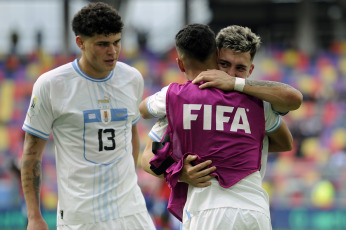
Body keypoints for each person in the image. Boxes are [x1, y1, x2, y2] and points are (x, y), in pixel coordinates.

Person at [140, 23, 300, 229]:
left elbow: (143, 114)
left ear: (250, 70)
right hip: (253, 213)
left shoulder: (178, 99)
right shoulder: (257, 103)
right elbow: (284, 141)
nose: (230, 74)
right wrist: (178, 172)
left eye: (240, 68)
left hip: (208, 213)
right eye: (225, 65)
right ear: (215, 58)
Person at [20, 2, 155, 230]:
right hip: (81, 217)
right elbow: (31, 154)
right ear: (80, 43)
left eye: (116, 42)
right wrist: (34, 216)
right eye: (102, 44)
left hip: (132, 211)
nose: (112, 51)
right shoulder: (51, 85)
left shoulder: (132, 78)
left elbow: (130, 133)